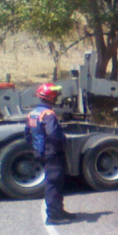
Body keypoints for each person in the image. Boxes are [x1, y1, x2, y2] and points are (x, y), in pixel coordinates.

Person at [24, 83, 76, 225]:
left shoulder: (33, 113)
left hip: (42, 152)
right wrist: (60, 144)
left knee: (56, 181)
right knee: (54, 183)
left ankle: (59, 210)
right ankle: (53, 216)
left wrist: (38, 149)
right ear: (51, 97)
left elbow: (27, 135)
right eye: (56, 96)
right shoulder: (48, 114)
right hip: (52, 153)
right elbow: (53, 134)